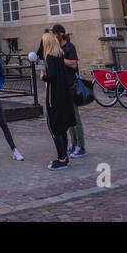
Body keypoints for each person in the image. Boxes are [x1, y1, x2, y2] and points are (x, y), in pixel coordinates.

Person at [40, 32, 75, 170]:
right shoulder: (59, 56)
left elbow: (52, 76)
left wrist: (43, 77)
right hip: (63, 96)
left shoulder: (50, 57)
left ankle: (61, 159)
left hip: (54, 97)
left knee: (55, 128)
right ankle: (64, 157)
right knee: (62, 127)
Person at [54, 24, 86, 158]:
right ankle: (73, 144)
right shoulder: (58, 47)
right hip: (63, 86)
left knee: (75, 116)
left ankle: (81, 145)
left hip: (72, 85)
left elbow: (74, 64)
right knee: (68, 116)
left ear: (61, 34)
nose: (54, 36)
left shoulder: (69, 47)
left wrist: (61, 60)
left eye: (55, 34)